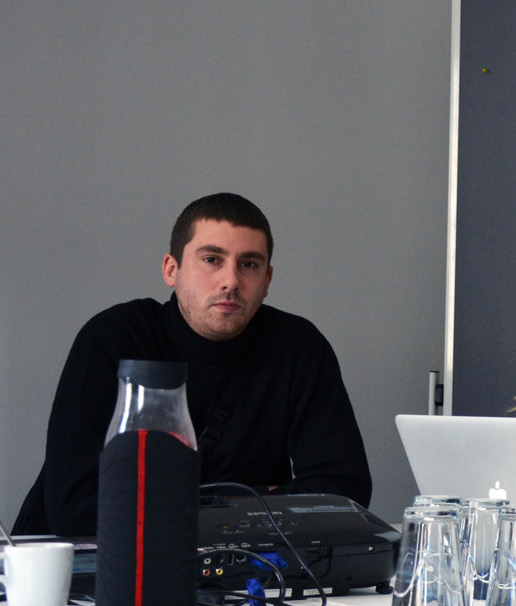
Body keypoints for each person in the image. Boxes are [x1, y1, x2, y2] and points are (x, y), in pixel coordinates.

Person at [15, 193, 371, 535]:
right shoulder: (114, 338)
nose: (231, 281)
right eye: (211, 259)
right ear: (172, 270)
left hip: (236, 571)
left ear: (267, 281)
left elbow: (343, 496)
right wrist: (258, 498)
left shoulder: (298, 346)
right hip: (77, 573)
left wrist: (165, 503)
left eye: (248, 264)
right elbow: (75, 510)